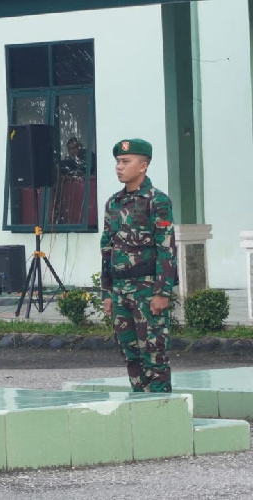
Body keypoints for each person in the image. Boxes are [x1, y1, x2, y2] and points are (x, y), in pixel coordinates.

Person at [100, 138, 177, 393]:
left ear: (143, 166)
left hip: (147, 290)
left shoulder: (157, 201)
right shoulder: (113, 203)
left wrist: (162, 292)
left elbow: (166, 248)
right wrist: (107, 292)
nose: (119, 167)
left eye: (125, 161)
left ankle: (161, 408)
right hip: (120, 291)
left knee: (154, 354)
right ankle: (140, 405)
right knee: (130, 355)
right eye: (117, 162)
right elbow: (107, 249)